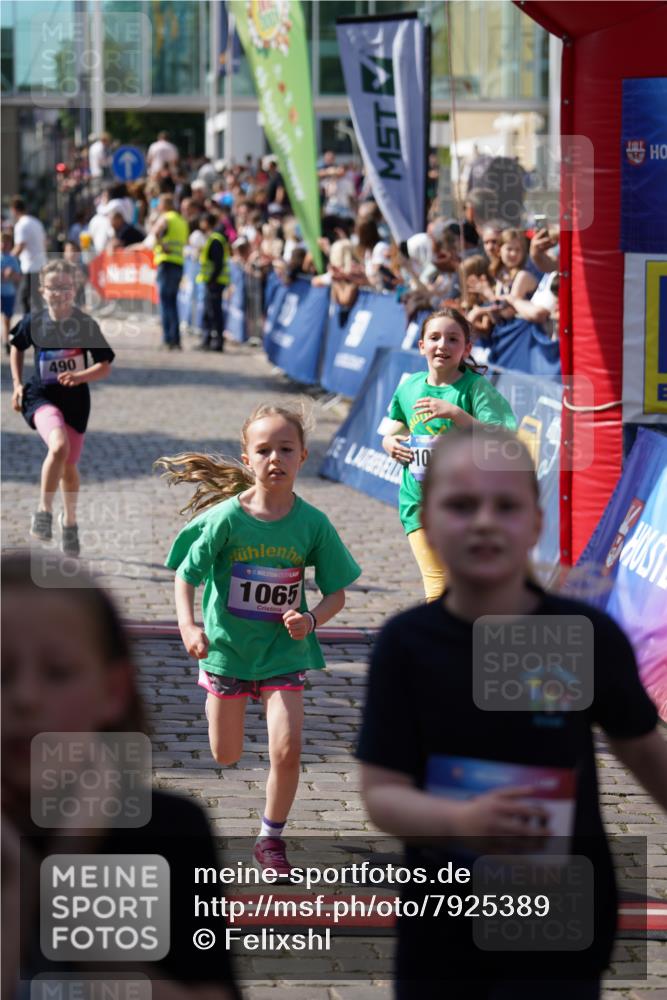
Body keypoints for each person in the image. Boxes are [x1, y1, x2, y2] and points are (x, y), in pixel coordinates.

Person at [358, 425, 667, 998]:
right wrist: (459, 824)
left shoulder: (583, 636)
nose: (483, 521)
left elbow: (648, 753)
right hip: (444, 930)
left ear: (535, 523)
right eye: (460, 504)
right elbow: (381, 795)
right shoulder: (407, 644)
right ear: (426, 515)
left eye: (505, 505)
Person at [1, 551, 241, 1000]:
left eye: (58, 673)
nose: (26, 697)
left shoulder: (169, 832)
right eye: (1, 673)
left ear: (112, 690)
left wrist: (71, 881)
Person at [157, 403, 361, 875]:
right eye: (264, 450)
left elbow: (336, 594)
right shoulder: (227, 519)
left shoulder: (313, 524)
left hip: (283, 653)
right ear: (247, 459)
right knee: (225, 754)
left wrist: (310, 622)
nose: (276, 458)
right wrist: (189, 627)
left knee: (287, 750)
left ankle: (271, 838)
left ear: (303, 456)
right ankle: (217, 701)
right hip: (227, 654)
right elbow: (186, 576)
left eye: (285, 449)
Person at [381, 308, 516, 601]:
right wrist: (389, 444)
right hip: (417, 501)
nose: (442, 345)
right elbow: (392, 430)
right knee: (438, 583)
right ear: (421, 345)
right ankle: (443, 643)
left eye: (453, 339)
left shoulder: (475, 389)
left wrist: (456, 414)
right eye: (434, 338)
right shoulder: (409, 387)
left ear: (467, 348)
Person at [9, 260, 115, 555]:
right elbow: (16, 345)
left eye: (65, 287)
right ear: (43, 291)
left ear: (74, 289)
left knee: (68, 466)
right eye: (53, 288)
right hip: (41, 397)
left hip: (76, 404)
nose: (59, 293)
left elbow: (104, 366)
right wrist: (17, 385)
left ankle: (70, 521)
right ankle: (43, 513)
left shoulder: (84, 324)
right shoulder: (35, 321)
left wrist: (80, 376)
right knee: (58, 447)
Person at [145, 194, 189, 350]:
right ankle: (175, 339)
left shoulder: (166, 218)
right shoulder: (181, 221)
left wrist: (161, 244)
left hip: (166, 262)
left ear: (165, 205)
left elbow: (155, 233)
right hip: (178, 263)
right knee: (173, 302)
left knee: (165, 303)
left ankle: (167, 339)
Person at [195, 212, 230, 352]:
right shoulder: (213, 238)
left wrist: (211, 280)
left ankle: (217, 342)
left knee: (214, 313)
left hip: (215, 282)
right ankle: (208, 340)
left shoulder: (215, 239)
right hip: (213, 281)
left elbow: (218, 263)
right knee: (209, 312)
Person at [10, 196, 47, 314]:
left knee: (24, 299)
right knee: (36, 300)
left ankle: (29, 326)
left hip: (30, 267)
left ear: (14, 210)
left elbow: (20, 246)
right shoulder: (36, 222)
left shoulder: (21, 225)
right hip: (40, 264)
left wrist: (7, 259)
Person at [1, 230, 21, 353]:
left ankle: (6, 341)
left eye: (7, 243)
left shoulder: (13, 259)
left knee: (7, 318)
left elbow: (18, 277)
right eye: (2, 243)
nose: (4, 245)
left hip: (9, 293)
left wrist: (11, 275)